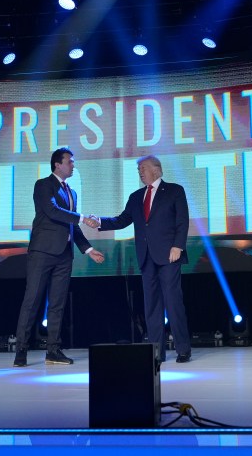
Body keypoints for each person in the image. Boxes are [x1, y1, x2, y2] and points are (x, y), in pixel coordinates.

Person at [88, 155, 192, 363]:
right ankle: (156, 351)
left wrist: (178, 246)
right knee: (151, 306)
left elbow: (182, 220)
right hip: (146, 257)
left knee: (173, 303)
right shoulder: (136, 197)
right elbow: (122, 219)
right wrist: (99, 221)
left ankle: (183, 349)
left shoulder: (174, 190)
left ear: (156, 169)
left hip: (169, 255)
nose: (140, 171)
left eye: (142, 167)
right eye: (138, 169)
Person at [13, 147, 104, 367]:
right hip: (42, 252)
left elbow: (70, 225)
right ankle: (21, 351)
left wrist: (88, 249)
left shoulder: (71, 192)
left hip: (64, 255)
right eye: (70, 162)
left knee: (57, 304)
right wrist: (83, 218)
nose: (73, 165)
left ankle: (53, 350)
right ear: (58, 164)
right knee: (32, 300)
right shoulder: (43, 185)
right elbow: (53, 212)